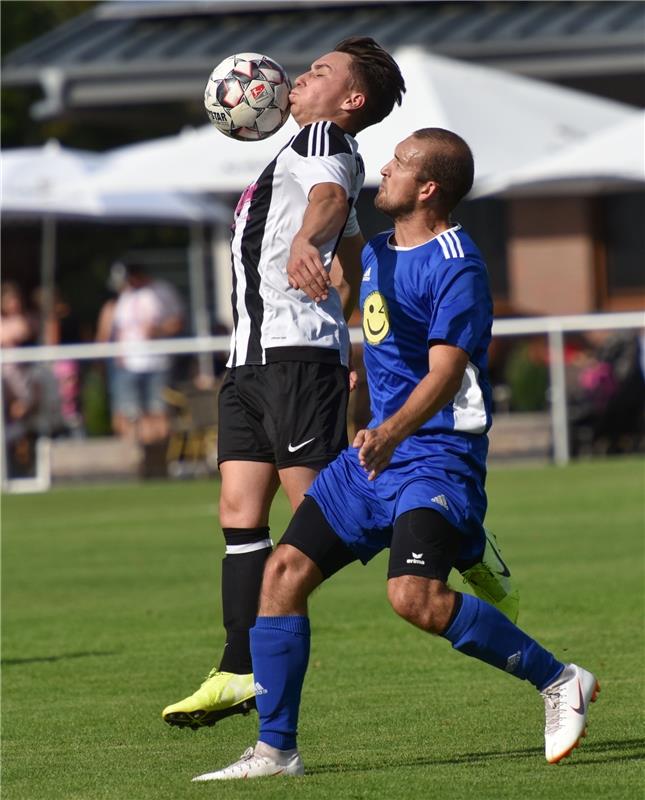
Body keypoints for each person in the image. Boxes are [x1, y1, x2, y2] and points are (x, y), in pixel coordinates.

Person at [191, 129, 599, 781]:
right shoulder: (377, 251)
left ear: (427, 187)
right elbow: (371, 333)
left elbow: (443, 373)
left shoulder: (455, 263)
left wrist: (389, 432)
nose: (383, 169)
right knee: (283, 573)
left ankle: (559, 680)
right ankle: (276, 751)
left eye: (398, 164)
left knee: (413, 597)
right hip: (373, 459)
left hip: (436, 457)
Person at [163, 40, 517, 730]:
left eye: (320, 72)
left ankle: (464, 541)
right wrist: (353, 309)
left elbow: (329, 202)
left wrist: (306, 241)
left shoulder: (324, 138)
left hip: (294, 358)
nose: (300, 78)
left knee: (320, 515)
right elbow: (351, 241)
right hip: (252, 358)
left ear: (351, 101)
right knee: (238, 514)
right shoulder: (296, 152)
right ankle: (239, 668)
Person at [110, 261, 184, 446]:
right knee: (129, 413)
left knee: (158, 411)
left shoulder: (161, 291)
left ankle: (158, 456)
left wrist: (158, 331)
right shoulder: (125, 296)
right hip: (129, 364)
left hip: (157, 362)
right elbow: (120, 328)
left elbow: (178, 321)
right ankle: (137, 456)